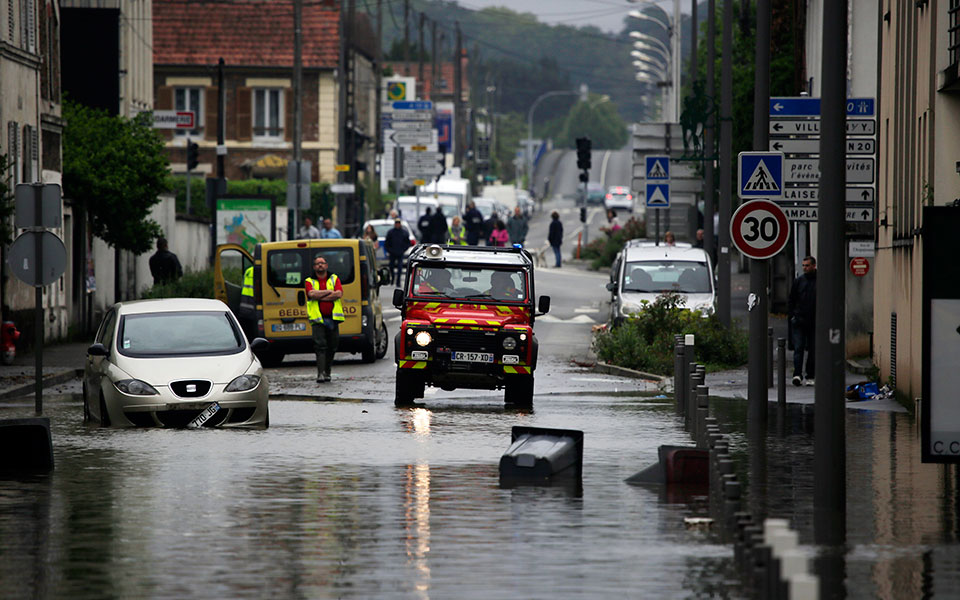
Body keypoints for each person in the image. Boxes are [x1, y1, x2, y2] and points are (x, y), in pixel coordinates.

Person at [305, 256, 344, 383]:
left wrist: (319, 296)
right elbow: (311, 294)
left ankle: (328, 372)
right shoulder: (309, 281)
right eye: (317, 264)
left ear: (326, 265)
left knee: (333, 346)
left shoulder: (334, 278)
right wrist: (328, 292)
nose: (320, 265)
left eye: (322, 263)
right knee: (320, 347)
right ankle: (320, 374)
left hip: (333, 318)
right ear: (314, 267)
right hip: (318, 319)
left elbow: (338, 294)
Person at [788, 256, 817, 387]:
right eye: (804, 265)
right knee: (798, 348)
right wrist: (793, 316)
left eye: (807, 265)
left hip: (814, 321)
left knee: (812, 349)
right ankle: (797, 374)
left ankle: (810, 375)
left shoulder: (819, 281)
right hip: (799, 320)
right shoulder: (799, 281)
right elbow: (792, 300)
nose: (805, 268)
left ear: (813, 266)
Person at [385, 218, 410, 286]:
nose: (397, 224)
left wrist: (403, 249)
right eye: (396, 223)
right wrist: (389, 250)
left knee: (400, 267)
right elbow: (387, 242)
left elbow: (407, 243)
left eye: (398, 223)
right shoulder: (391, 232)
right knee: (391, 267)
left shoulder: (404, 232)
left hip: (400, 253)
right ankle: (392, 279)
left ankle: (398, 282)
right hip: (392, 253)